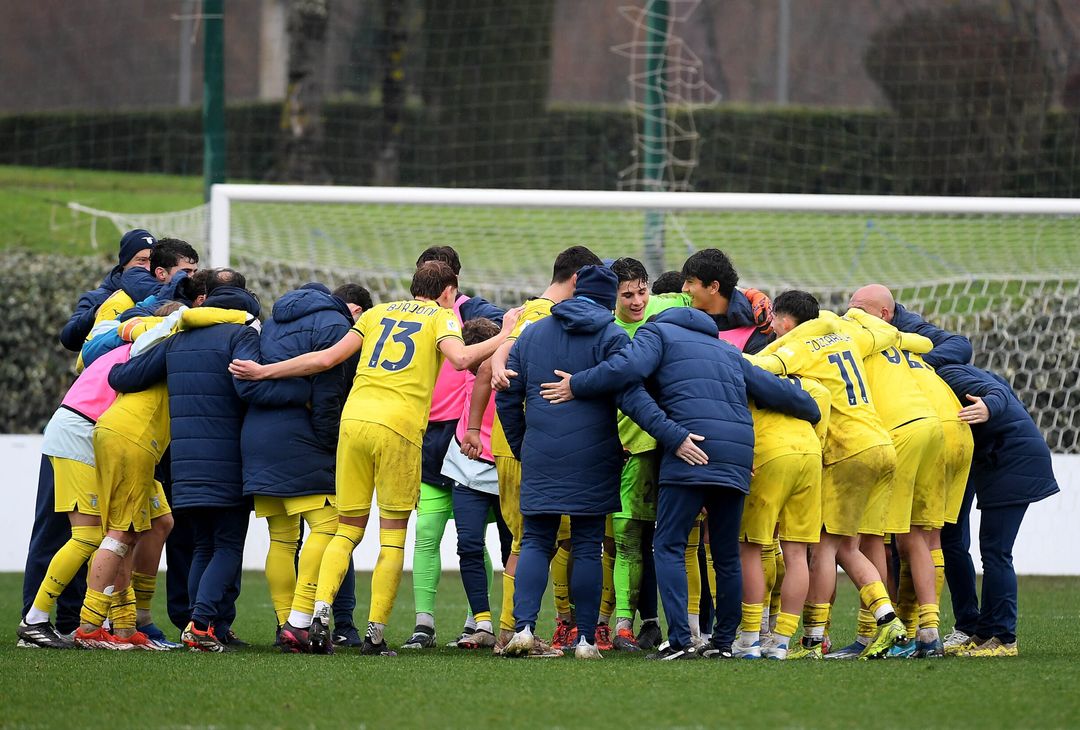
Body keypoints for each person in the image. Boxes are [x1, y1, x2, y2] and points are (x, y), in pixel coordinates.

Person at [229, 261, 520, 656]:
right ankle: (375, 635)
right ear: (449, 290)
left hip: (353, 422)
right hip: (397, 428)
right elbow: (462, 359)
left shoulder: (378, 312)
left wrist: (263, 372)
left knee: (346, 529)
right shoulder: (439, 317)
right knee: (392, 538)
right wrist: (504, 333)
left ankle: (317, 612)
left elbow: (325, 359)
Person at [539, 301, 820, 661]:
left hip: (689, 448)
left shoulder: (656, 333)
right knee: (726, 553)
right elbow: (775, 390)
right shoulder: (726, 350)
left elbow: (627, 371)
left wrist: (578, 384)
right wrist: (811, 409)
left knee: (669, 544)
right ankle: (723, 643)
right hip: (735, 456)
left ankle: (682, 640)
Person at [498, 265, 697, 660]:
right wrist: (675, 436)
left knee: (538, 541)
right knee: (588, 546)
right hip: (594, 455)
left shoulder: (533, 333)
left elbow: (505, 390)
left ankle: (522, 629)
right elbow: (634, 399)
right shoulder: (611, 335)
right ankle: (586, 639)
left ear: (575, 292)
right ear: (609, 300)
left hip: (540, 454)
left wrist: (524, 444)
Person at [110, 269, 305, 652]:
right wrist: (301, 390)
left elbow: (126, 377)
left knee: (202, 545)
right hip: (228, 460)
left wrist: (109, 363)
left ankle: (195, 626)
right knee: (228, 545)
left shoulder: (177, 340)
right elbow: (247, 386)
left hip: (183, 464)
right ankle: (201, 624)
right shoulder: (241, 335)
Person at [747, 290, 934, 659]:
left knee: (826, 548)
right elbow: (908, 339)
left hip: (847, 449)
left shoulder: (798, 344)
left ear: (785, 323)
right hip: (881, 444)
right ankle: (873, 630)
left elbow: (757, 368)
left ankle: (823, 638)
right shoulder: (844, 331)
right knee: (862, 543)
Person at [474, 245, 603, 653]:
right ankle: (516, 631)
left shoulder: (523, 315)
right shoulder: (555, 320)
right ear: (579, 280)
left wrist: (479, 427)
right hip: (537, 440)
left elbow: (487, 369)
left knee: (535, 539)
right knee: (540, 540)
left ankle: (531, 627)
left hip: (516, 440)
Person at [241, 282, 372, 652]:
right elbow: (328, 394)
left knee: (282, 539)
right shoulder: (334, 326)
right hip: (302, 440)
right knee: (330, 528)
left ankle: (285, 624)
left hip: (258, 438)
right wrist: (330, 443)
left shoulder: (272, 323)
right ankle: (300, 620)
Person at [403, 246, 505, 651]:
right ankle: (423, 623)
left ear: (453, 285)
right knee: (427, 532)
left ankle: (474, 621)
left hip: (468, 435)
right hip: (427, 437)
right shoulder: (411, 313)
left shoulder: (481, 315)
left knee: (472, 536)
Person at [839, 292, 948, 658]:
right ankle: (928, 631)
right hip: (933, 428)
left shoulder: (852, 335)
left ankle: (873, 633)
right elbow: (929, 341)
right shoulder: (898, 340)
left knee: (871, 538)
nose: (849, 311)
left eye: (856, 307)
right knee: (920, 535)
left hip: (898, 431)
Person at [935, 364, 1059, 657]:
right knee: (991, 551)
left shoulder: (947, 373)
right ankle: (985, 633)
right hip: (1005, 463)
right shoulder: (966, 370)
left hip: (1012, 464)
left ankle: (1004, 638)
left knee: (996, 552)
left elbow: (999, 392)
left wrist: (989, 407)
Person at [606, 257, 688, 650]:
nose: (637, 301)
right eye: (628, 295)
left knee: (675, 540)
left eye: (642, 292)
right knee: (626, 538)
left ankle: (688, 629)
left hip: (672, 446)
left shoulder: (667, 310)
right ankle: (624, 624)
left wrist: (753, 297)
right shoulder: (604, 330)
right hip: (627, 448)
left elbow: (719, 296)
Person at [736, 374, 831, 659]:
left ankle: (750, 639)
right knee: (797, 553)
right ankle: (781, 642)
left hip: (769, 452)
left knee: (751, 548)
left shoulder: (744, 375)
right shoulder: (810, 384)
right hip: (810, 454)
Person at [444, 318, 507, 649]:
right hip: (467, 464)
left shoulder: (509, 369)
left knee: (514, 546)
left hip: (507, 468)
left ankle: (512, 622)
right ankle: (482, 623)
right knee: (468, 544)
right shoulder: (463, 374)